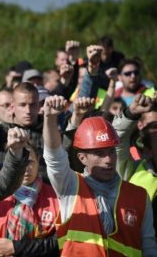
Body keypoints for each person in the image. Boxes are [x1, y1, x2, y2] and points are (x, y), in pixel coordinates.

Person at [43, 95, 157, 256]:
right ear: (82, 158)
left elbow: (149, 249)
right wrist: (49, 118)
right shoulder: (70, 186)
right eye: (99, 153)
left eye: (111, 151)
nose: (108, 160)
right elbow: (54, 157)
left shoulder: (139, 196)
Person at [0, 144, 59, 257]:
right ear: (10, 164)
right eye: (20, 163)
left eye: (30, 162)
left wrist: (16, 247)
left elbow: (59, 241)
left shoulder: (55, 197)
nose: (26, 168)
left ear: (38, 161)